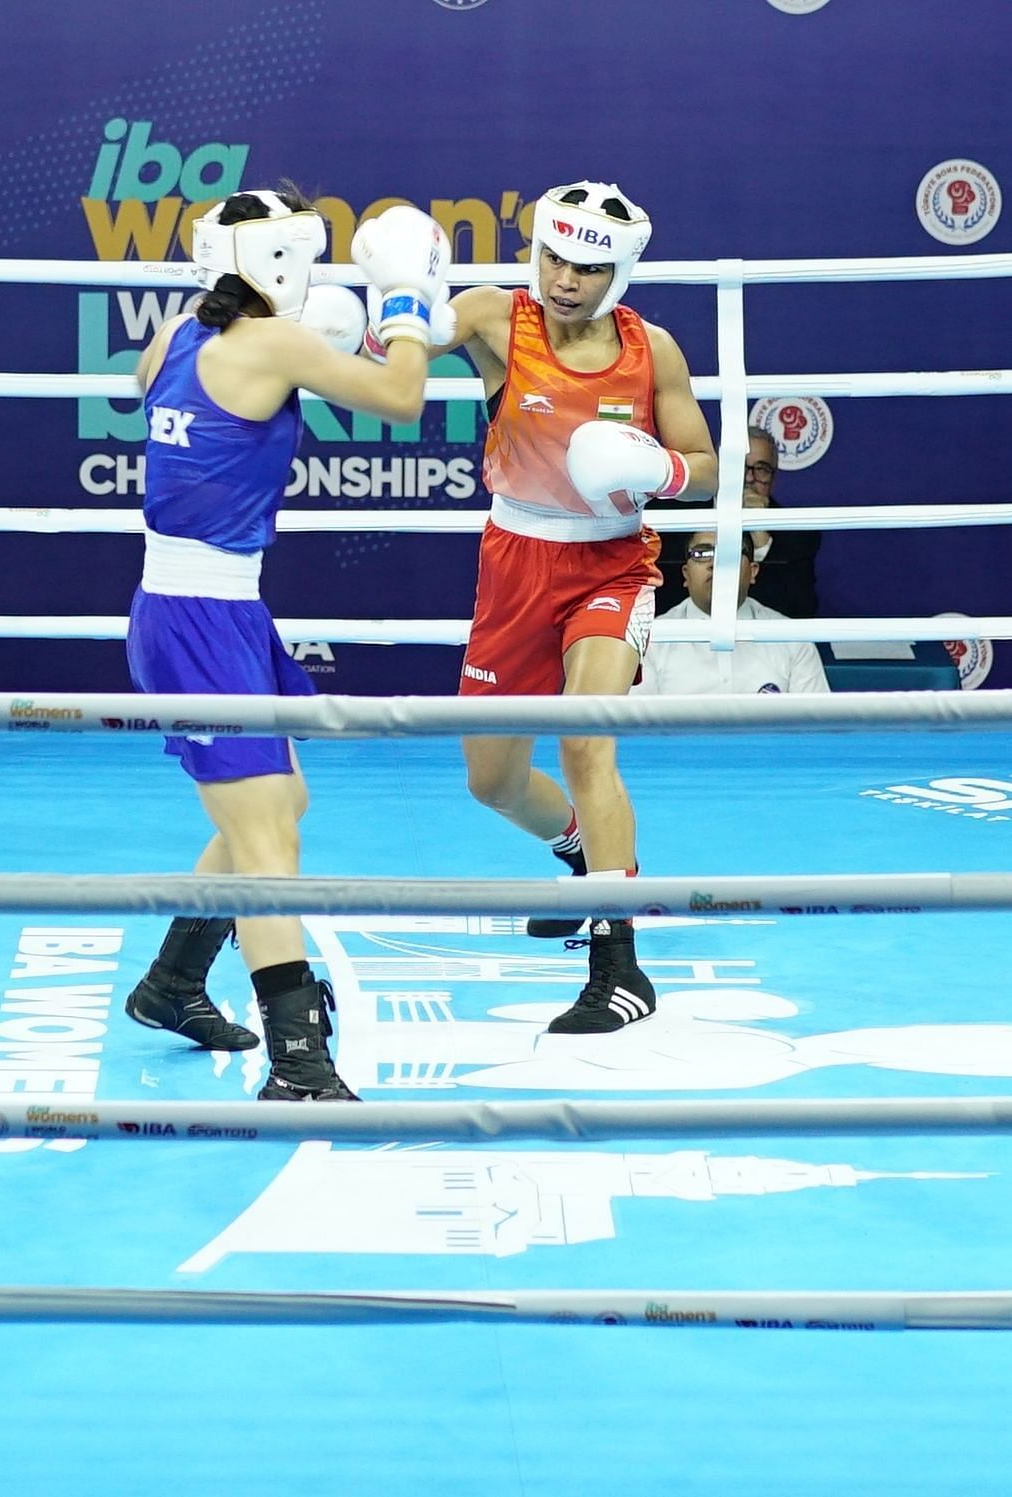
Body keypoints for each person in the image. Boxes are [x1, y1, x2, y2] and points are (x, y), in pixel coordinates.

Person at [124, 186, 450, 1100]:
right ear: (288, 258)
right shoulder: (267, 340)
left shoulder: (178, 332)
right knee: (267, 838)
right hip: (200, 616)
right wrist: (403, 299)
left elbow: (159, 396)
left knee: (277, 806)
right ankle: (299, 1063)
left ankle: (174, 980)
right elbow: (400, 394)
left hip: (194, 602)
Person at [420, 180, 718, 1036]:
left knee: (588, 738)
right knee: (494, 783)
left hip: (613, 564)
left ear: (619, 270)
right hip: (514, 559)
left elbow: (701, 462)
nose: (565, 279)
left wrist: (656, 469)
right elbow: (390, 357)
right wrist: (391, 308)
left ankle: (620, 966)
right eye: (554, 257)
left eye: (588, 266)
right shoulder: (490, 318)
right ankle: (588, 855)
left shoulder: (650, 349)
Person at [648, 425, 822, 617]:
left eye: (762, 469)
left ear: (773, 480)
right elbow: (660, 597)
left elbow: (797, 611)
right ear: (717, 469)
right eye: (739, 466)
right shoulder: (672, 516)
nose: (748, 477)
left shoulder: (798, 535)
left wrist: (762, 543)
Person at [633, 529, 830, 694]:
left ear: (753, 571)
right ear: (686, 574)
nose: (715, 563)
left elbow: (816, 731)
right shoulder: (650, 639)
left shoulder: (793, 639)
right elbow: (635, 730)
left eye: (729, 552)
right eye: (702, 554)